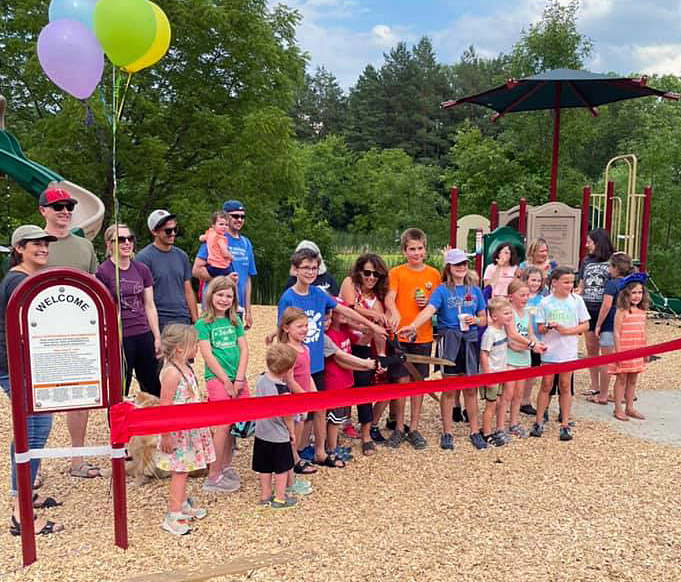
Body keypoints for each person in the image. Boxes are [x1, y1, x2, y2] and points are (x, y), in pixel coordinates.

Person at [274, 248, 387, 466]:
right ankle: (295, 455)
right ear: (296, 269)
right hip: (297, 364)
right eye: (305, 268)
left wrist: (372, 325)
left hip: (316, 363)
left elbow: (346, 311)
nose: (310, 272)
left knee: (319, 407)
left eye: (314, 268)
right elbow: (281, 329)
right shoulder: (288, 297)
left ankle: (318, 451)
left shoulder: (319, 295)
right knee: (300, 412)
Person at [1, 225, 63, 537]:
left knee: (34, 429)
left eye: (45, 244)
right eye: (35, 244)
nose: (42, 248)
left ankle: (26, 496)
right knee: (33, 431)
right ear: (19, 248)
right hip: (16, 367)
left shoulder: (26, 278)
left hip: (26, 365)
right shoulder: (18, 281)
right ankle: (19, 513)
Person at [399, 248, 487, 450]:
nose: (462, 267)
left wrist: (477, 320)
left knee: (470, 389)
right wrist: (413, 325)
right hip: (449, 340)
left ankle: (474, 430)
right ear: (449, 267)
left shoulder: (474, 290)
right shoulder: (441, 290)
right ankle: (447, 431)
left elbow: (484, 319)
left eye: (464, 263)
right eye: (457, 264)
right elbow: (429, 311)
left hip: (470, 340)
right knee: (448, 389)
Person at [39, 187, 100, 479]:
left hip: (78, 333)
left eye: (69, 206)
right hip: (42, 335)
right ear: (43, 211)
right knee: (39, 401)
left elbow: (95, 288)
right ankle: (32, 464)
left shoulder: (85, 247)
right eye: (58, 206)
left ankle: (77, 459)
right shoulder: (33, 244)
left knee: (80, 396)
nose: (65, 211)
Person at [384, 228, 441, 450]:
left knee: (418, 382)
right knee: (401, 382)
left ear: (425, 249)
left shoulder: (434, 275)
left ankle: (414, 427)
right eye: (412, 249)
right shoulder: (396, 273)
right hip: (400, 335)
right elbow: (390, 297)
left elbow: (436, 304)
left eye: (420, 248)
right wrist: (395, 312)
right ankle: (399, 426)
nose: (416, 253)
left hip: (423, 335)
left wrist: (425, 306)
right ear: (404, 251)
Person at [156, 324, 215, 535]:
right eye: (194, 344)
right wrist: (165, 434)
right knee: (179, 472)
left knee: (186, 469)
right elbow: (165, 406)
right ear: (180, 348)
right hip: (178, 432)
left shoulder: (185, 367)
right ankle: (173, 514)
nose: (197, 347)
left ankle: (181, 504)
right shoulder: (172, 373)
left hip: (190, 429)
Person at [195, 276, 248, 493]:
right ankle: (213, 474)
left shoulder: (235, 321)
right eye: (220, 295)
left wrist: (240, 378)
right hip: (217, 379)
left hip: (237, 378)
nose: (224, 300)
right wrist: (226, 381)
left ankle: (225, 466)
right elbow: (207, 355)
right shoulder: (203, 324)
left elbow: (244, 349)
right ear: (211, 295)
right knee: (221, 425)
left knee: (233, 424)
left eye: (229, 296)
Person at [96, 224, 161, 397]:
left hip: (143, 332)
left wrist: (156, 336)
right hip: (120, 336)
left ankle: (153, 422)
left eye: (130, 238)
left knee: (152, 385)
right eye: (120, 239)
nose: (126, 243)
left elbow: (149, 304)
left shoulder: (141, 269)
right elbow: (101, 308)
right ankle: (117, 423)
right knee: (120, 388)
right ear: (109, 244)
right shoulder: (103, 271)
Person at [530, 267, 590, 441]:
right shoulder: (545, 303)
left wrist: (568, 331)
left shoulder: (577, 300)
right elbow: (539, 327)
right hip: (550, 350)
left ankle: (565, 423)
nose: (569, 285)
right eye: (566, 282)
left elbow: (585, 325)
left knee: (565, 385)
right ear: (554, 283)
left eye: (572, 282)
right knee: (546, 384)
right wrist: (548, 327)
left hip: (568, 350)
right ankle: (539, 421)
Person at [339, 252, 389, 446]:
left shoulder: (377, 300)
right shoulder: (350, 283)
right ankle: (334, 430)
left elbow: (377, 333)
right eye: (367, 273)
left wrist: (382, 356)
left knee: (364, 387)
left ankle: (366, 433)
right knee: (338, 387)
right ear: (359, 271)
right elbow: (350, 307)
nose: (371, 278)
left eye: (376, 275)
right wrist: (374, 319)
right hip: (342, 342)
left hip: (361, 345)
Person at [322, 306, 378, 457]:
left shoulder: (344, 331)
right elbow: (339, 361)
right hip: (335, 382)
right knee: (334, 418)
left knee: (338, 416)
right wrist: (363, 366)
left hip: (345, 381)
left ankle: (332, 444)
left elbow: (361, 341)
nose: (346, 314)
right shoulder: (329, 335)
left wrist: (371, 329)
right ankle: (332, 450)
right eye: (326, 318)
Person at [193, 200, 257, 328]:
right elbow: (196, 270)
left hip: (236, 308)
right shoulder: (213, 239)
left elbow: (247, 279)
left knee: (233, 346)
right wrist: (222, 280)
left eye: (242, 216)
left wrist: (248, 311)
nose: (239, 220)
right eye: (235, 216)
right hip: (214, 307)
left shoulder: (246, 243)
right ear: (225, 216)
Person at [253, 343, 299, 509]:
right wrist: (292, 432)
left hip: (261, 432)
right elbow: (287, 416)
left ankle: (264, 495)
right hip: (278, 435)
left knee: (264, 467)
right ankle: (280, 498)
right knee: (281, 468)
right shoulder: (283, 390)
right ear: (287, 370)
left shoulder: (260, 379)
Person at [137, 210, 198, 330]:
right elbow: (140, 296)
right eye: (168, 231)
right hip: (159, 320)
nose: (173, 234)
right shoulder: (143, 258)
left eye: (175, 229)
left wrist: (196, 319)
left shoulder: (182, 256)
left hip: (182, 318)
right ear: (154, 232)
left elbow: (188, 290)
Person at [589, 252, 634, 404]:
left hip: (609, 325)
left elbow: (606, 305)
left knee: (606, 361)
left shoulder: (611, 284)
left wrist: (598, 324)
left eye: (610, 266)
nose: (608, 269)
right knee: (623, 361)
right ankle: (622, 394)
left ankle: (602, 395)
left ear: (615, 268)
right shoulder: (631, 284)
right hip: (626, 327)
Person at [503, 279, 543, 438]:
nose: (525, 298)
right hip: (510, 358)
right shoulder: (509, 313)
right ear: (511, 296)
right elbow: (512, 335)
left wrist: (538, 344)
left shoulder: (526, 313)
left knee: (519, 394)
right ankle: (500, 425)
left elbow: (530, 332)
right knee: (507, 394)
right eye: (522, 295)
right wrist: (532, 345)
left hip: (524, 356)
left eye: (527, 295)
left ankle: (513, 422)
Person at [577, 229, 615, 396]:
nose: (586, 245)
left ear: (598, 243)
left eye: (589, 242)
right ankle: (595, 385)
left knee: (607, 349)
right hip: (588, 307)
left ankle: (609, 387)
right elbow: (582, 283)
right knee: (591, 348)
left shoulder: (613, 260)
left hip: (606, 309)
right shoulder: (586, 261)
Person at [608, 274, 649, 421]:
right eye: (634, 293)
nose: (637, 296)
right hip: (624, 349)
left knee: (633, 379)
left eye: (640, 292)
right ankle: (618, 408)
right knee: (621, 379)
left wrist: (645, 350)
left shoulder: (642, 311)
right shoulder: (621, 311)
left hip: (637, 348)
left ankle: (630, 407)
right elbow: (617, 333)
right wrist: (619, 353)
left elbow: (643, 331)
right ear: (626, 294)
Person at [479, 297, 514, 446]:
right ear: (494, 316)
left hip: (501, 373)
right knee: (491, 405)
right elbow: (484, 354)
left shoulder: (502, 331)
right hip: (492, 374)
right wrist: (487, 375)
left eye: (510, 313)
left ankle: (489, 428)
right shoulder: (490, 333)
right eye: (506, 313)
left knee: (497, 402)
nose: (510, 316)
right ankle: (486, 433)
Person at [519, 267, 547, 415]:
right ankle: (514, 399)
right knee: (519, 370)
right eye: (533, 280)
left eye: (538, 280)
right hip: (521, 338)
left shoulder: (543, 299)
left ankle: (525, 400)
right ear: (526, 280)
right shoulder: (521, 297)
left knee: (532, 371)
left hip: (537, 338)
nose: (536, 283)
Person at [200, 211, 233, 278]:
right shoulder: (221, 238)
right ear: (213, 225)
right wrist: (231, 257)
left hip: (211, 267)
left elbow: (201, 238)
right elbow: (225, 253)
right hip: (221, 267)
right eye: (221, 224)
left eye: (226, 225)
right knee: (232, 276)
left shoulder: (210, 233)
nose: (224, 227)